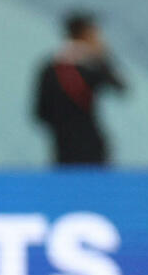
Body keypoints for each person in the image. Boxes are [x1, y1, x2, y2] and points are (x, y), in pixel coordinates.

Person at [33, 12, 126, 166]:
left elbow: (40, 112)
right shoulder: (93, 67)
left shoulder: (50, 67)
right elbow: (121, 88)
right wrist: (103, 58)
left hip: (62, 145)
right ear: (85, 35)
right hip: (91, 144)